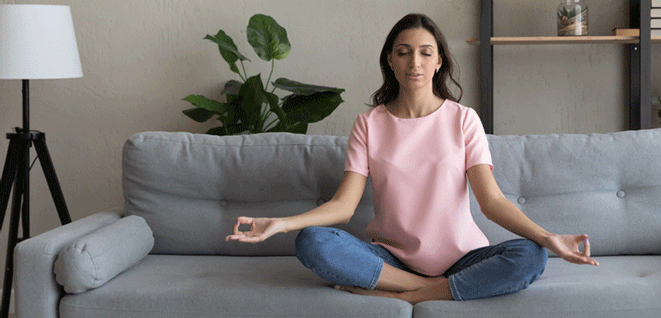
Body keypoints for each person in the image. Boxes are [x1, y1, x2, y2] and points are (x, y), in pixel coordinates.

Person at [226, 13, 598, 304]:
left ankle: (411, 294)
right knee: (312, 242)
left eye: (425, 52)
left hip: (463, 258)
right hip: (392, 261)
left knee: (531, 256)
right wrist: (282, 224)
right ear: (390, 60)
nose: (414, 62)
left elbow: (493, 201)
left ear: (439, 62)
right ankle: (431, 287)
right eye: (403, 52)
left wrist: (550, 238)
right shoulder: (369, 124)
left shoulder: (463, 119)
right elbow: (343, 206)